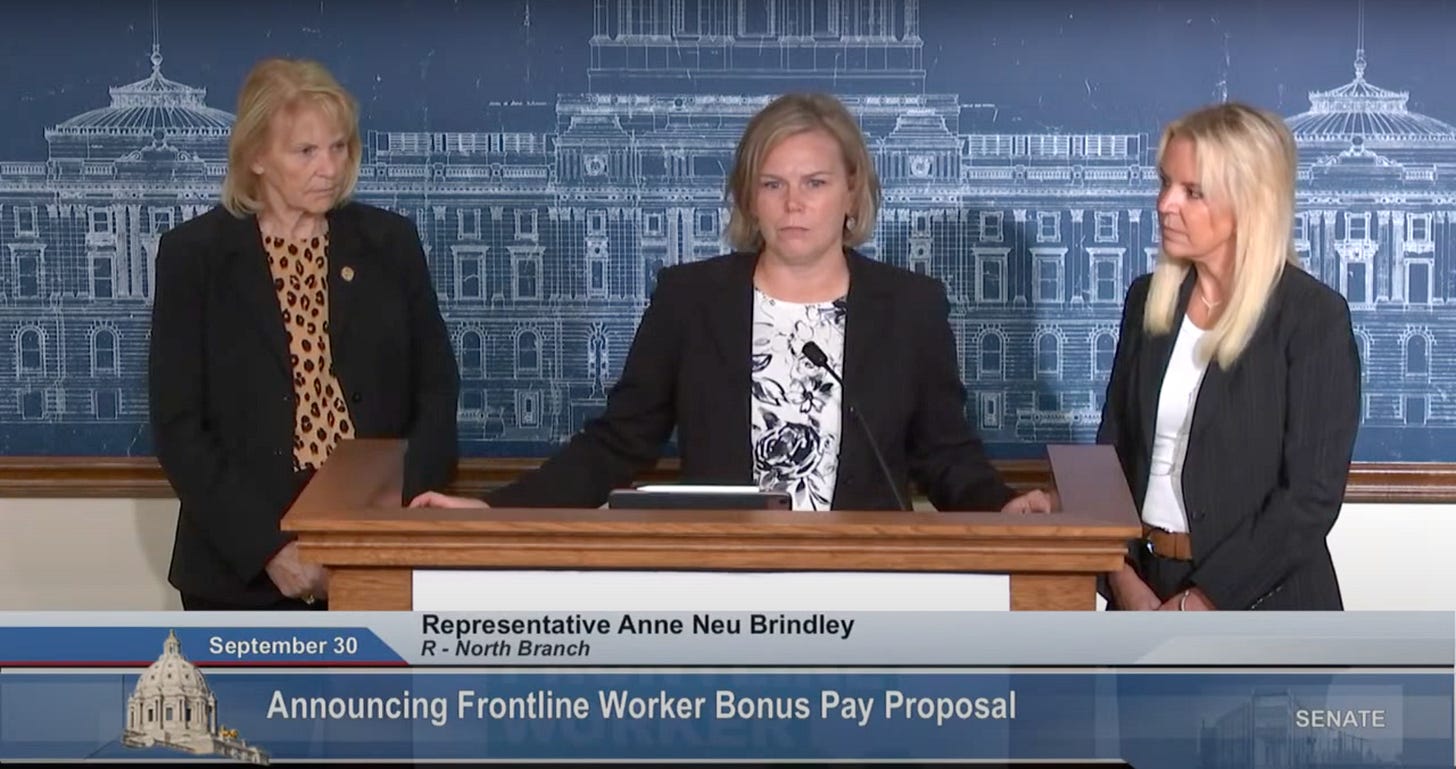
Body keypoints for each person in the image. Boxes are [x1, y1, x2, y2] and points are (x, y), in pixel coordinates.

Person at [413, 93, 1047, 514]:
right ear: (749, 200)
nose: (793, 203)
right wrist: (498, 508)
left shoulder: (910, 307)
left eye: (815, 183)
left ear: (852, 193)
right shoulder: (691, 300)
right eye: (772, 184)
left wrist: (1000, 505)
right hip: (719, 584)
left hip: (868, 583)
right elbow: (618, 444)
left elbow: (944, 455)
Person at [149, 58, 460, 610]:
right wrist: (270, 550)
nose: (330, 168)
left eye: (339, 147)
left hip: (380, 551)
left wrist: (388, 527)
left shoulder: (390, 244)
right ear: (257, 158)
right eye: (306, 152)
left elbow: (437, 391)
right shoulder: (195, 257)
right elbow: (179, 428)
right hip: (241, 570)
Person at [1098, 102, 1360, 611]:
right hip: (1144, 593)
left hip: (1264, 608)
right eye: (1165, 183)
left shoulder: (1312, 318)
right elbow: (1114, 455)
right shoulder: (1146, 302)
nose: (1165, 204)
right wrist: (1125, 582)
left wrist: (1200, 602)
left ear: (1249, 202)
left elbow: (1309, 497)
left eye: (1192, 192)